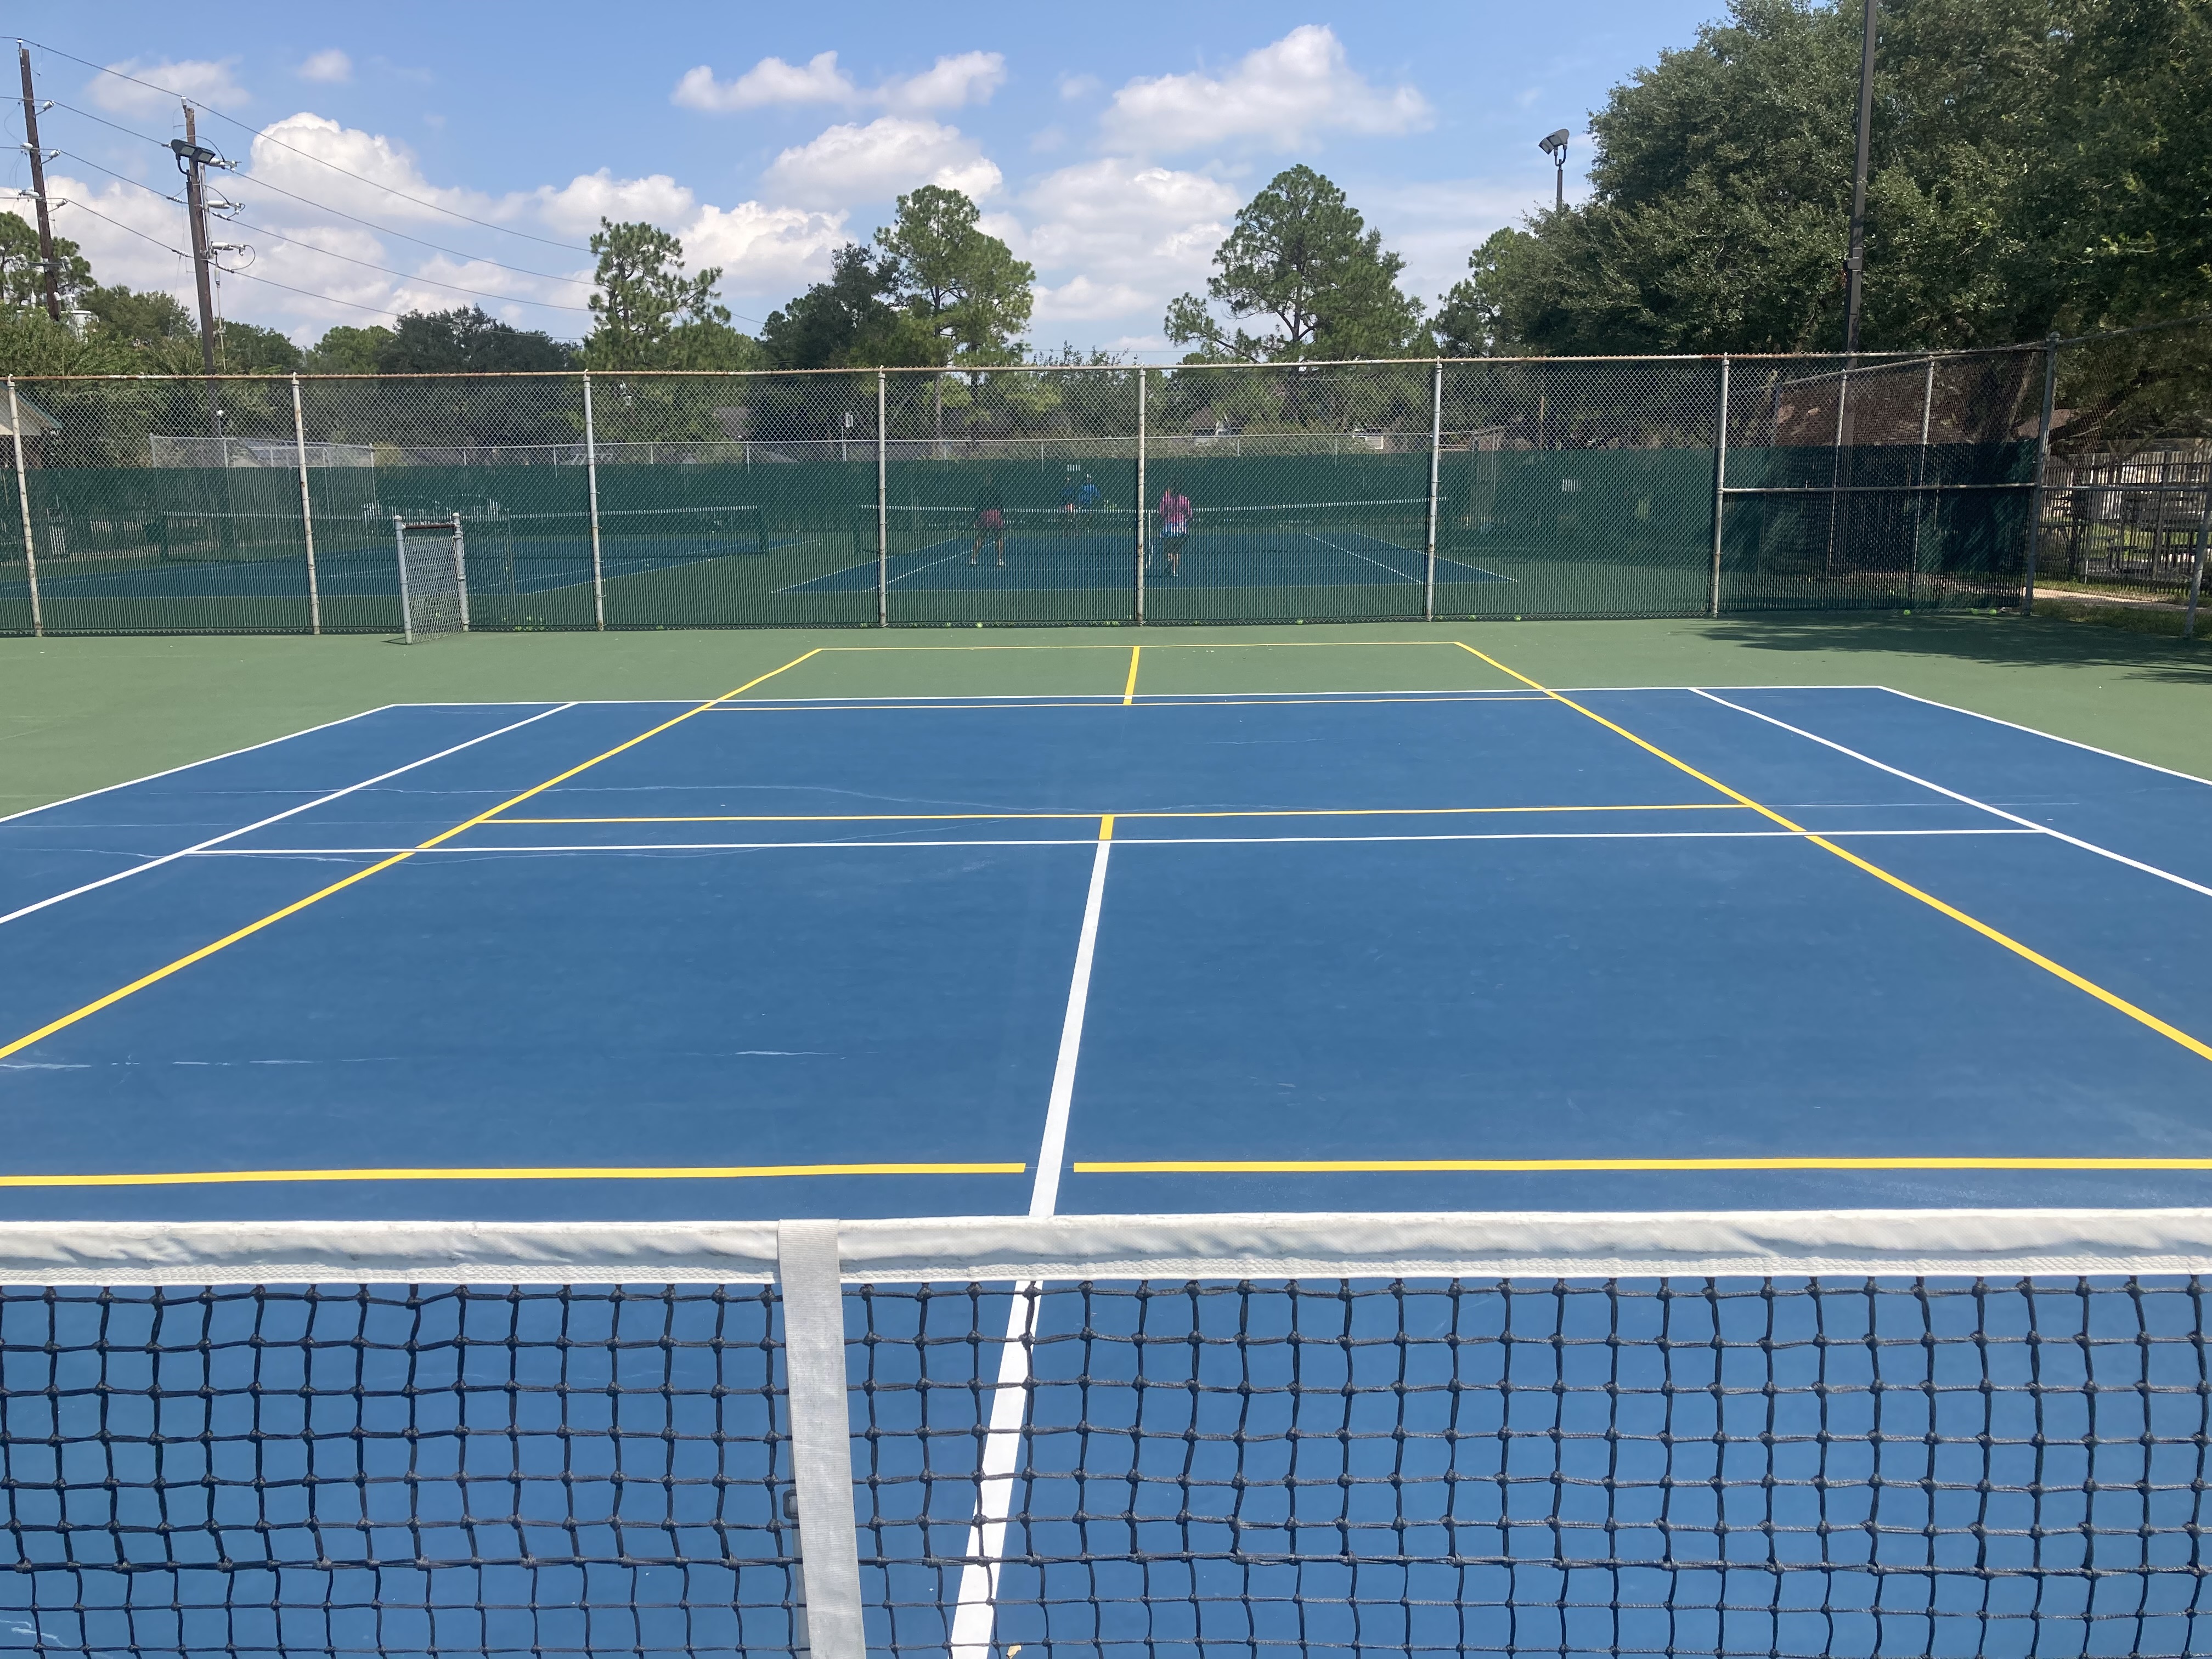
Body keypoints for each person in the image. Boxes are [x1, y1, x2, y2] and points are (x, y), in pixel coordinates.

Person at [1154, 483, 1192, 575]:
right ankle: (1174, 570)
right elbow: (1189, 514)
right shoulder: (1184, 500)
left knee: (1168, 549)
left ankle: (1170, 565)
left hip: (1170, 526)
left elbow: (1161, 513)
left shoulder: (1167, 500)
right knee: (1176, 550)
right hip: (1181, 527)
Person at [971, 481, 1007, 568]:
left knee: (980, 538)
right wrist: (1001, 517)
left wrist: (977, 519)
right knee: (998, 538)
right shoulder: (996, 492)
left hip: (985, 515)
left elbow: (977, 506)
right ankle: (999, 560)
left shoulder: (981, 493)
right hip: (995, 514)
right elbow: (1001, 505)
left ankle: (973, 560)